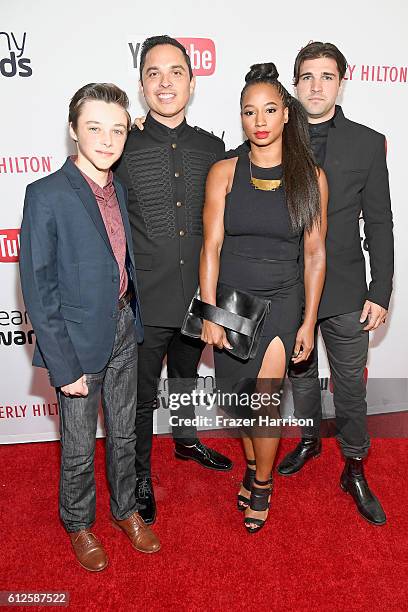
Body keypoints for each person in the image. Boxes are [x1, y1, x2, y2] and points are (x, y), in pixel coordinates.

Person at [19, 83, 160, 573]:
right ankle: (79, 524)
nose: (107, 139)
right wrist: (63, 364)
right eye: (95, 127)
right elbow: (38, 289)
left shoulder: (116, 187)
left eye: (118, 129)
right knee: (78, 446)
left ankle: (125, 512)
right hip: (77, 343)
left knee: (124, 434)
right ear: (74, 130)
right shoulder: (46, 194)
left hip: (124, 326)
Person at [200, 63, 327, 533]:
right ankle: (255, 466)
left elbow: (315, 256)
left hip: (282, 298)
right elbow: (210, 247)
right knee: (239, 402)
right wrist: (212, 312)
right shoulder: (224, 172)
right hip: (233, 302)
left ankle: (263, 483)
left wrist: (308, 320)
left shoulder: (310, 177)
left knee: (265, 401)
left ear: (286, 115)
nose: (260, 120)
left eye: (270, 109)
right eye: (249, 111)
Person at [115, 35, 232, 526]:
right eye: (153, 73)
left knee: (186, 376)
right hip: (145, 299)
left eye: (175, 72)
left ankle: (186, 442)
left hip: (199, 296)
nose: (165, 82)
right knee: (142, 396)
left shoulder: (213, 146)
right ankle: (140, 474)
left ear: (192, 80)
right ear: (142, 85)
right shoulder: (123, 143)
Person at [276, 42, 394, 526]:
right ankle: (307, 440)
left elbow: (380, 223)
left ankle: (355, 467)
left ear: (343, 79)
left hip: (346, 286)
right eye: (307, 77)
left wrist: (380, 289)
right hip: (289, 285)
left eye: (326, 76)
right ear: (295, 82)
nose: (316, 86)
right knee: (300, 374)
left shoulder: (368, 142)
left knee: (349, 387)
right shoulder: (273, 135)